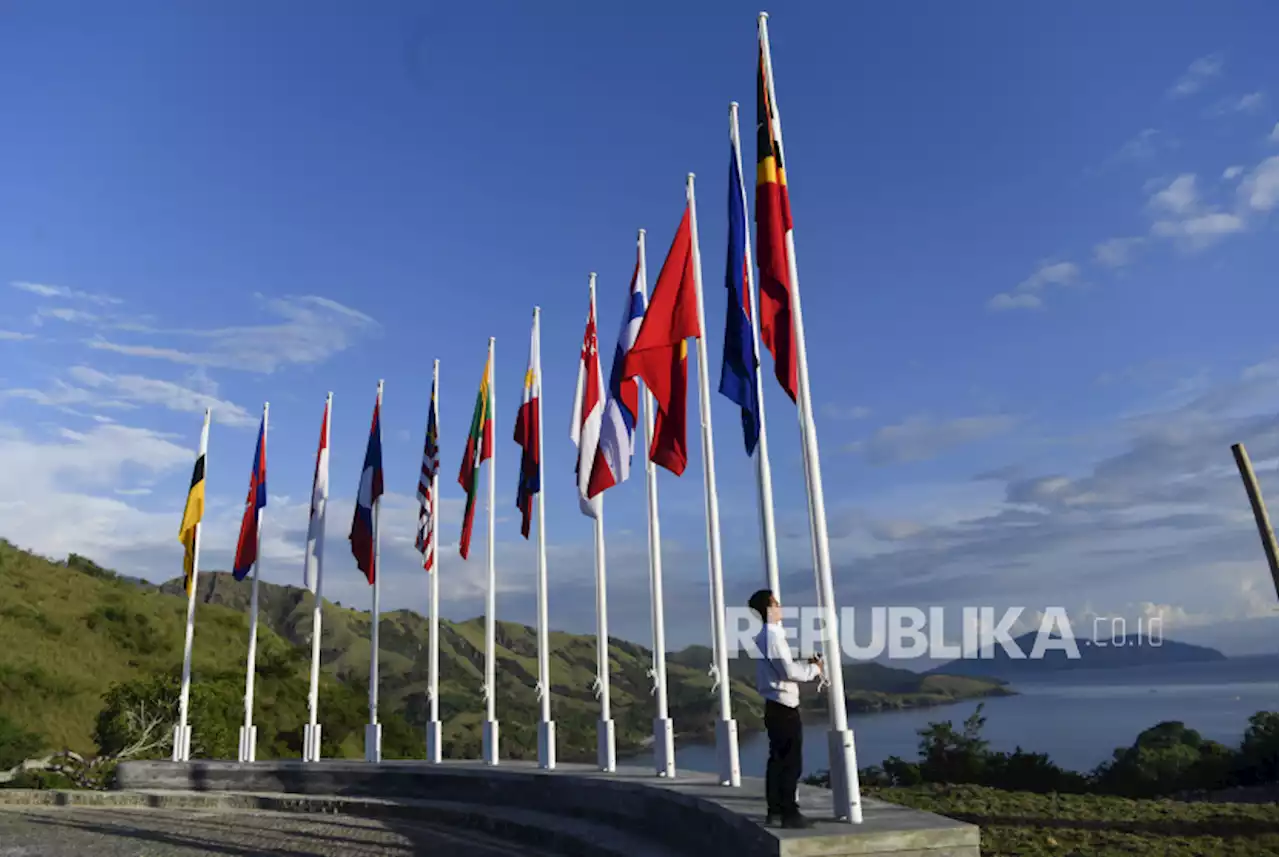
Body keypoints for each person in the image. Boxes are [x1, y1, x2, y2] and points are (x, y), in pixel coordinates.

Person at [749, 588, 822, 829]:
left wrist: (803, 663)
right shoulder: (772, 637)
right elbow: (788, 672)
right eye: (777, 604)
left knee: (778, 760)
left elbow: (784, 665)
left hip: (776, 706)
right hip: (784, 706)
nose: (780, 608)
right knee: (790, 763)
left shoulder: (768, 636)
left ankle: (776, 811)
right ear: (769, 608)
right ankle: (789, 813)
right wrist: (814, 670)